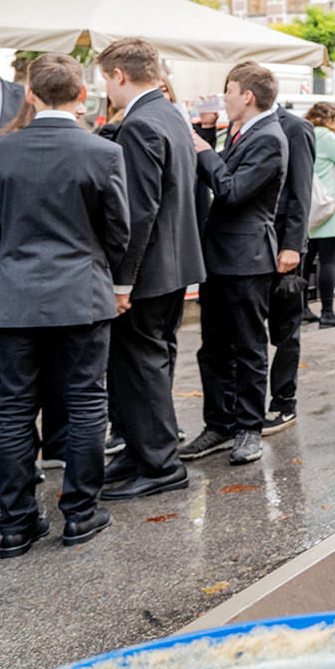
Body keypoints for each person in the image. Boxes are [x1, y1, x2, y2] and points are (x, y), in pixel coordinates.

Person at [0, 53, 130, 556]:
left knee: (15, 406)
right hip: (81, 292)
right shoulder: (102, 152)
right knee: (85, 401)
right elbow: (118, 230)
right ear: (81, 94)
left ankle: (16, 523)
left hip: (17, 294)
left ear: (30, 94)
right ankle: (80, 513)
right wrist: (95, 265)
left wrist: (13, 265)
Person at [94, 38, 204, 501]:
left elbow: (139, 211)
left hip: (148, 270)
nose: (106, 88)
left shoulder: (140, 123)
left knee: (141, 366)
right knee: (145, 363)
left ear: (119, 75)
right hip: (173, 264)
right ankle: (140, 451)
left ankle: (160, 465)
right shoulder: (169, 114)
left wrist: (122, 280)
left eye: (105, 79)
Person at [185, 63, 288, 467]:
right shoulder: (242, 131)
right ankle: (218, 424)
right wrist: (208, 134)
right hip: (219, 256)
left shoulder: (270, 138)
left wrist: (203, 149)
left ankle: (248, 427)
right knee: (213, 348)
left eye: (228, 90)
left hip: (247, 259)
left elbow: (231, 190)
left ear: (247, 95)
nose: (223, 97)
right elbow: (224, 172)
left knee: (247, 347)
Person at [260, 104, 315, 436]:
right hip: (253, 245)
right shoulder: (240, 124)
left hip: (285, 247)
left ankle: (283, 402)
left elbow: (301, 189)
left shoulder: (294, 126)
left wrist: (293, 244)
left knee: (285, 330)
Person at [302, 102, 335, 328]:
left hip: (310, 207)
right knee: (328, 261)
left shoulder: (306, 133)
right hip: (328, 207)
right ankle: (327, 313)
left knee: (306, 261)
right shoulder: (327, 136)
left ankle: (302, 308)